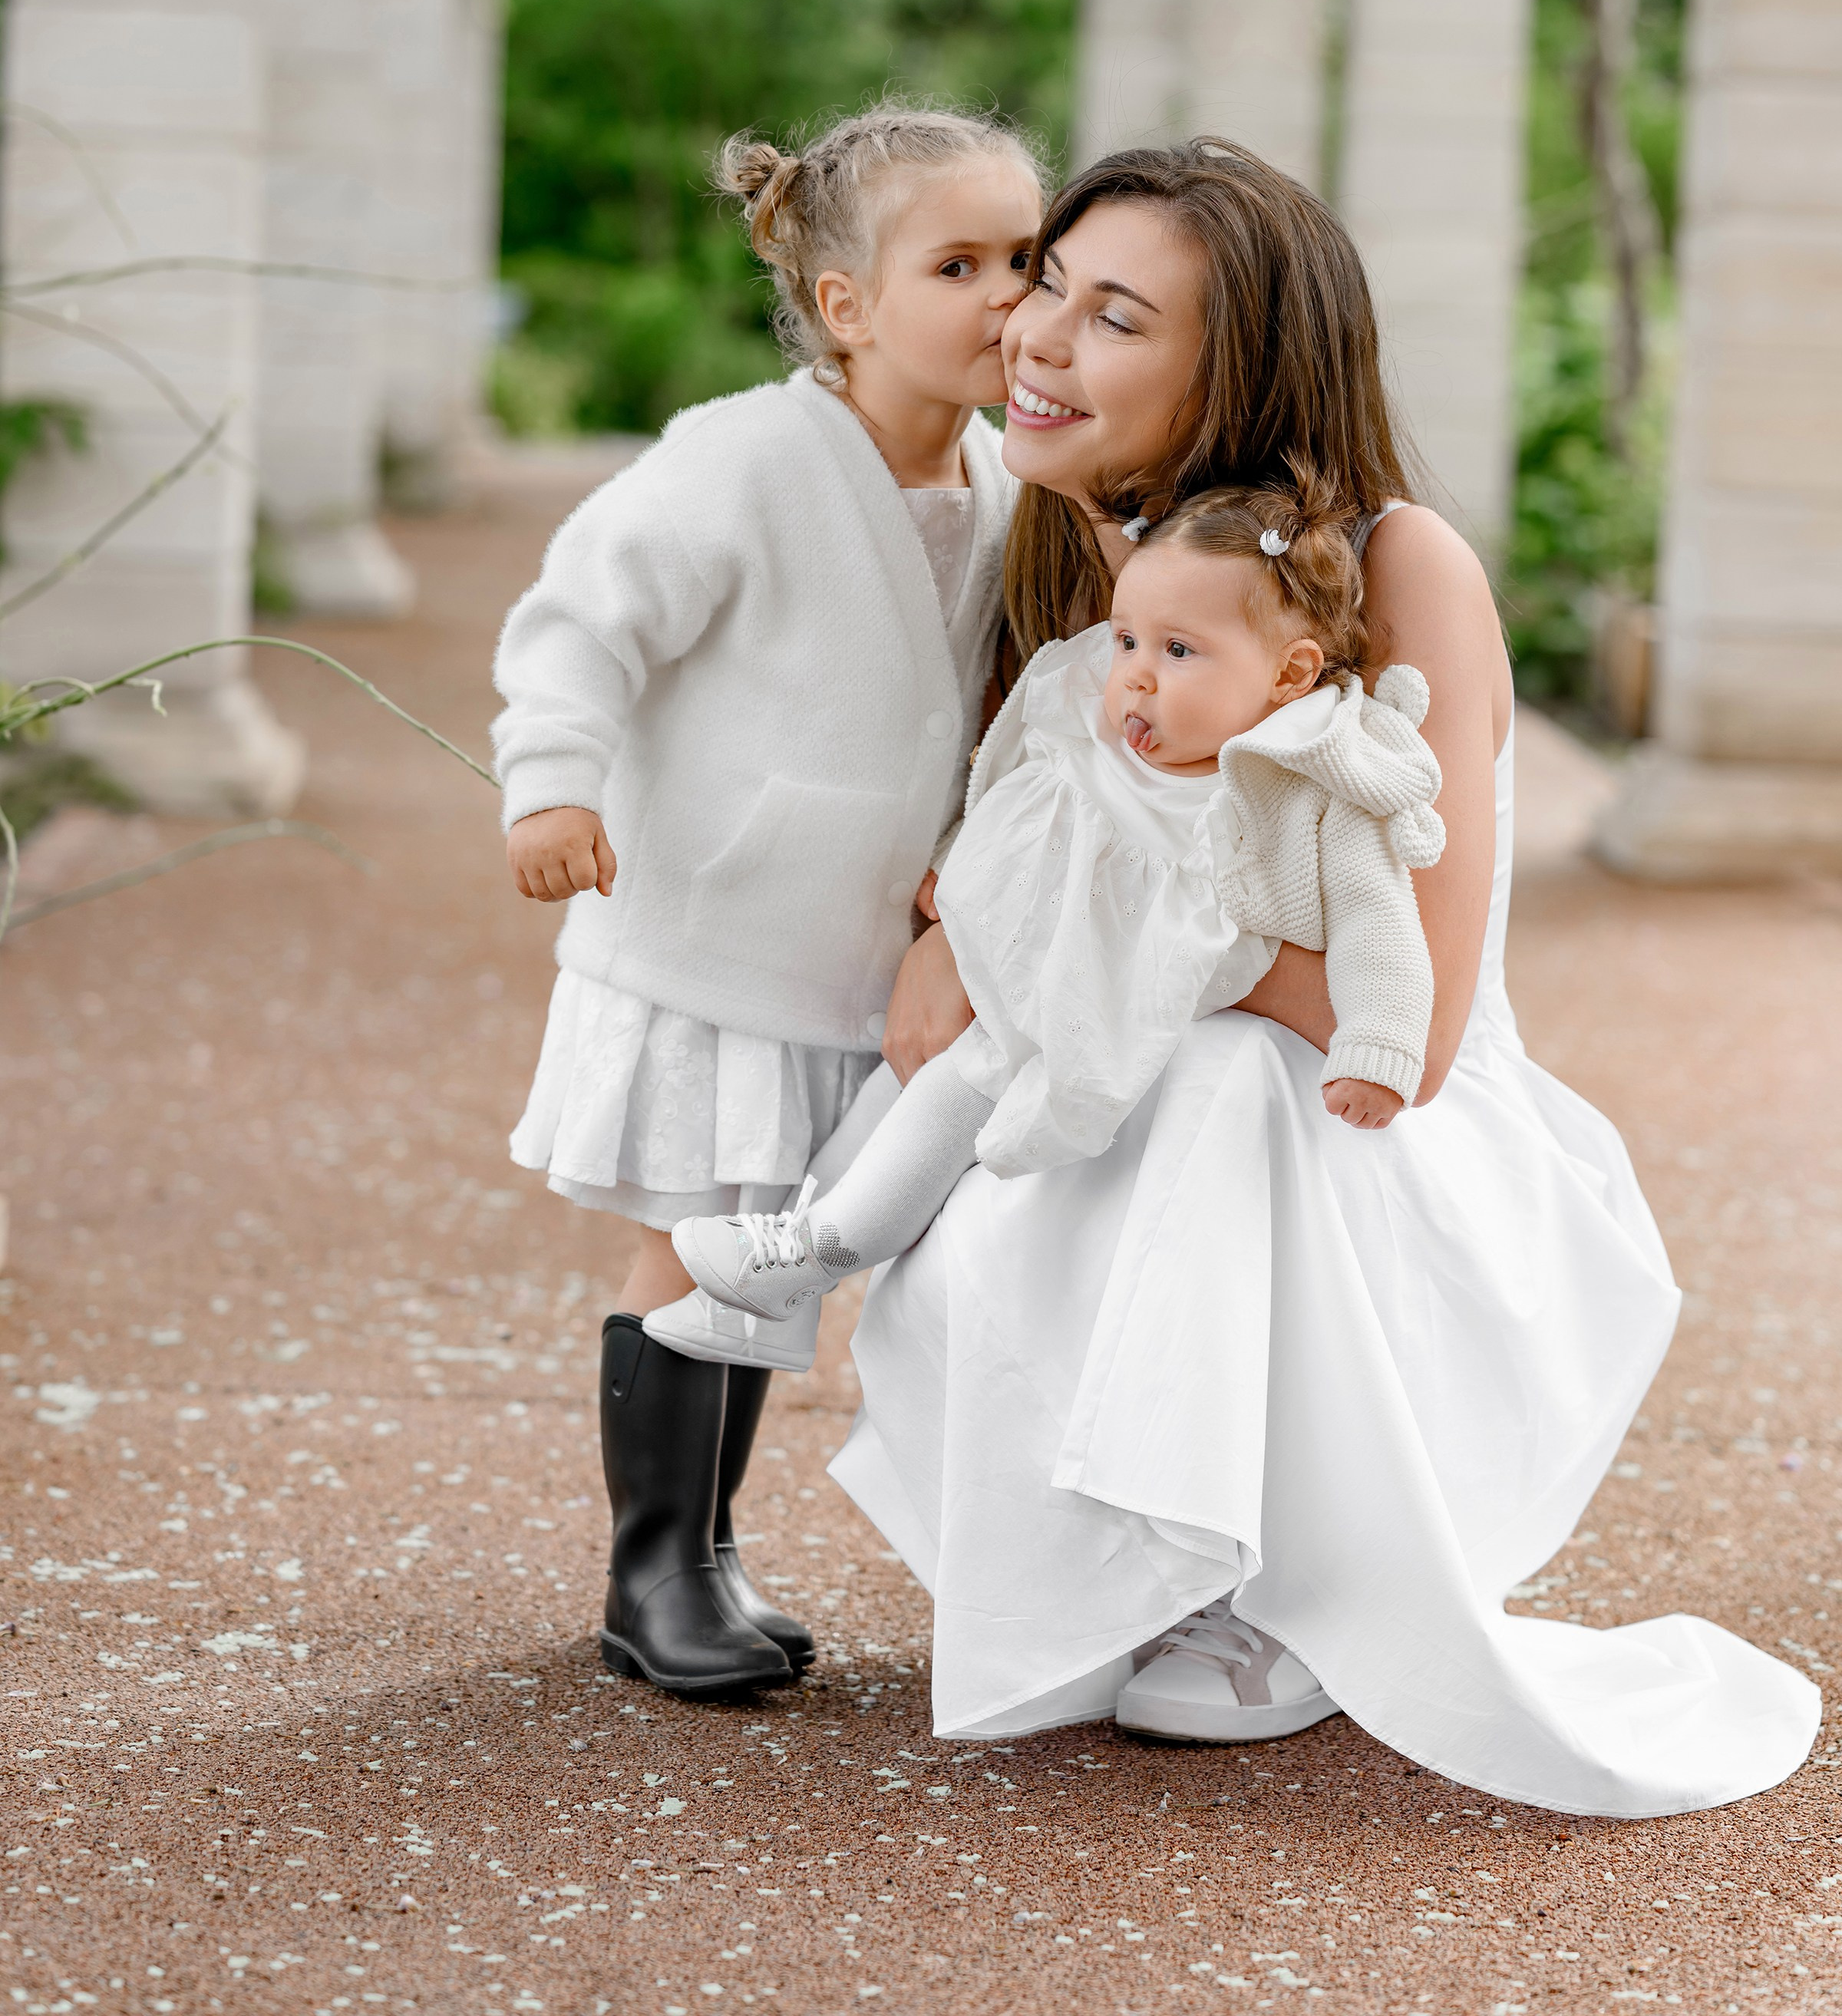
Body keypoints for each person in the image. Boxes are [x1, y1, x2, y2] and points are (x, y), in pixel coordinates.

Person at [827, 137, 1820, 1812]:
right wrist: (953, 932)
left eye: (1115, 316)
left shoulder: (1399, 563)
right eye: (1046, 290)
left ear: (1243, 370)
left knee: (1208, 1073)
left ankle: (1259, 1579)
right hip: (1153, 1075)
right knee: (1018, 1097)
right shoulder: (1091, 555)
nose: (1040, 340)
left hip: (1382, 1126)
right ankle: (1093, 1535)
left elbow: (1402, 1025)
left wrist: (1044, 963)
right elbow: (1021, 845)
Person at [490, 102, 1044, 1696]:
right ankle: (651, 1566)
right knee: (698, 1247)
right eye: (961, 264)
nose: (1008, 295)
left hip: (850, 959)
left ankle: (716, 1546)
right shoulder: (741, 460)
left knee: (770, 1262)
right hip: (715, 941)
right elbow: (580, 622)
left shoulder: (1011, 485)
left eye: (1027, 258)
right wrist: (555, 783)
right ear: (847, 304)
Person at [656, 474, 1448, 1375]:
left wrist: (1381, 1045)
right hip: (1044, 974)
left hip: (1112, 1012)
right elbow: (1024, 804)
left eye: (1180, 650)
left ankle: (819, 1253)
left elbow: (1381, 923)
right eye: (1127, 640)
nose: (1137, 674)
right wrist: (961, 863)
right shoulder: (1105, 734)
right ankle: (781, 1286)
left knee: (964, 1084)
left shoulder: (1308, 780)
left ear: (1290, 673)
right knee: (899, 1087)